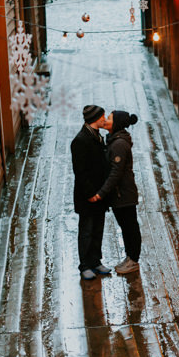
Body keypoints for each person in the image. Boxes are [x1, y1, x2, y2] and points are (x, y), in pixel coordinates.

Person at [89, 110, 141, 274]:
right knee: (126, 226)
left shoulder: (118, 144)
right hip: (119, 194)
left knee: (129, 226)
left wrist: (101, 193)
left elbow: (115, 173)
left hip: (123, 194)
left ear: (116, 124)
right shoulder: (114, 140)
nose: (105, 120)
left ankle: (133, 259)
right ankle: (130, 257)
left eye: (109, 118)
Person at [71, 105, 112, 280]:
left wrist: (102, 192)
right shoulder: (80, 140)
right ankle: (85, 265)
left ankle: (96, 261)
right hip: (87, 196)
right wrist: (90, 194)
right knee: (87, 230)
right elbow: (80, 172)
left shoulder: (98, 137)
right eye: (102, 116)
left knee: (98, 229)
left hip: (100, 194)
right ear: (95, 119)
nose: (105, 119)